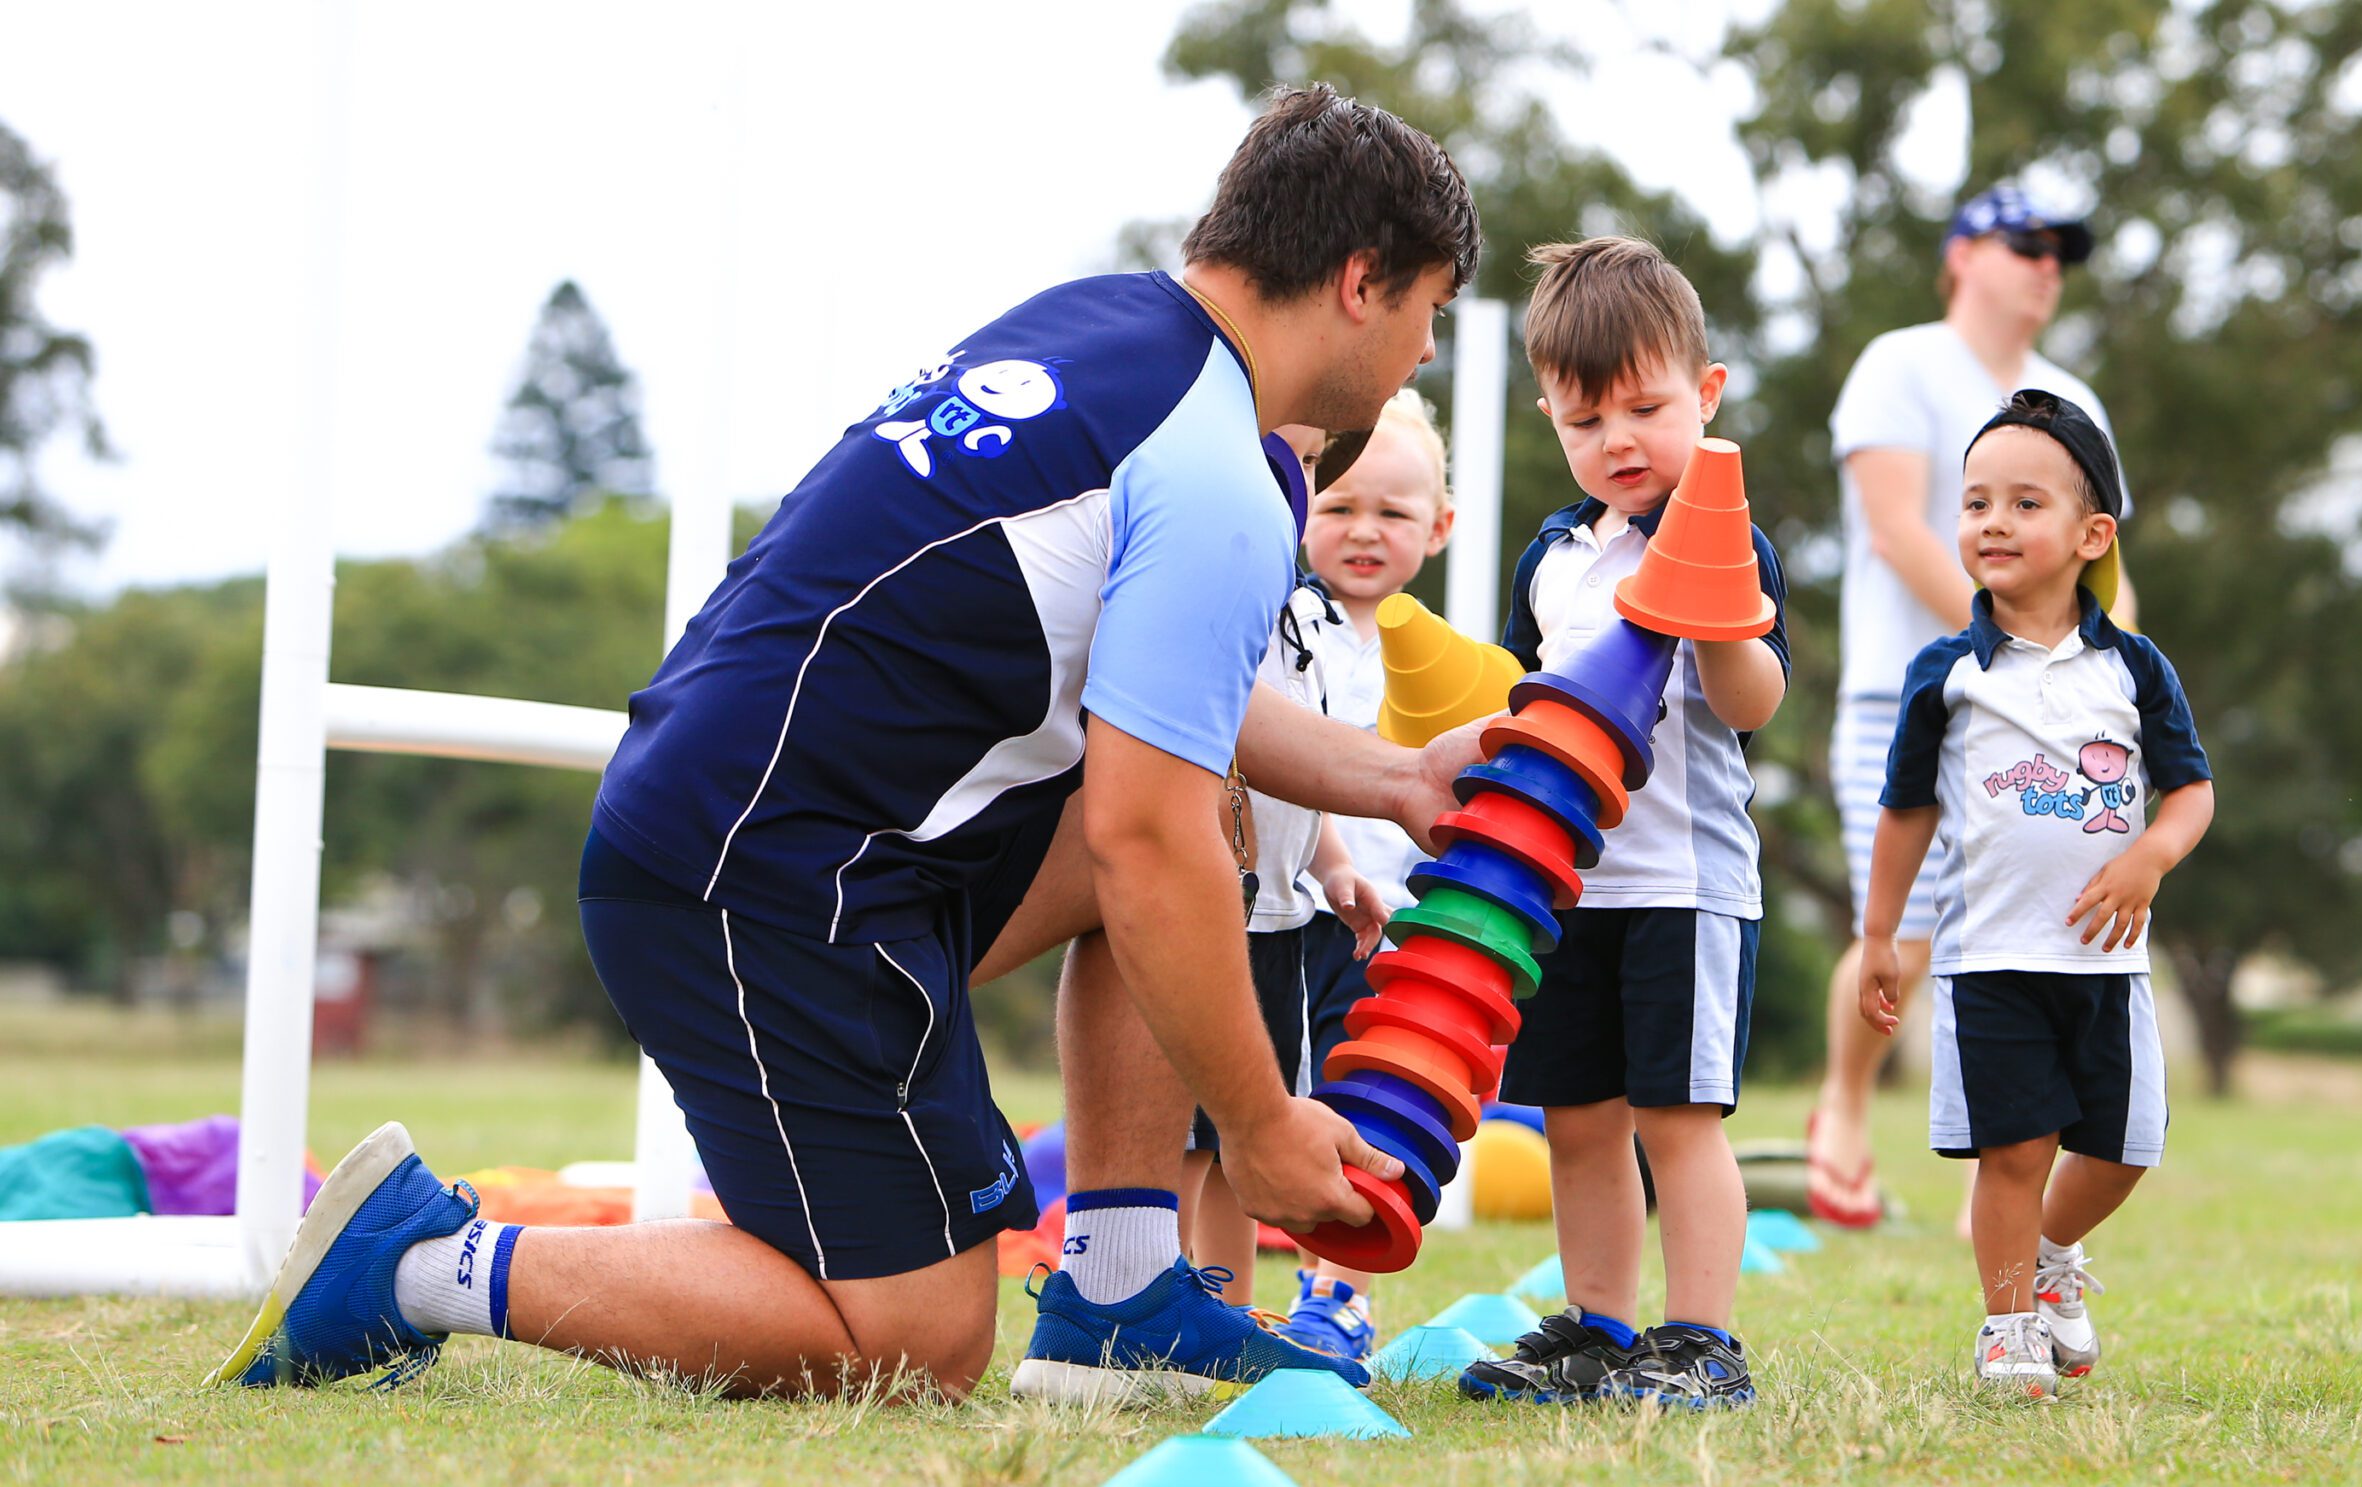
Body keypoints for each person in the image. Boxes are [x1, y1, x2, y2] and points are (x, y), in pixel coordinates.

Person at [206, 84, 1484, 1406]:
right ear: (1357, 281)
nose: (1423, 353)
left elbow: (1173, 708)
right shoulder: (1212, 466)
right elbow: (1139, 835)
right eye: (1428, 311)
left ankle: (1115, 1293)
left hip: (789, 832)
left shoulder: (1103, 332)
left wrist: (1392, 774)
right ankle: (422, 1257)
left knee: (1187, 783)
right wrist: (1266, 1129)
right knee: (920, 1340)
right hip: (757, 874)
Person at [1458, 237, 1787, 1411]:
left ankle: (1700, 1340)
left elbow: (1754, 706)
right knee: (1576, 1120)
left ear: (1704, 394)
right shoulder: (1556, 555)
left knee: (1676, 1121)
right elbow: (1519, 702)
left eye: (1646, 408)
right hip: (1569, 885)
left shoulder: (1724, 539)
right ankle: (1596, 1330)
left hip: (1683, 888)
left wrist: (1716, 619)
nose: (1619, 441)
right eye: (1583, 419)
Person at [1857, 390, 2212, 1397]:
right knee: (2013, 1150)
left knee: (2125, 1147)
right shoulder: (1946, 673)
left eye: (2024, 502)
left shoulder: (2134, 668)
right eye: (1974, 503)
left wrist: (2151, 854)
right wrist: (1881, 933)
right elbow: (1904, 810)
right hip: (1991, 960)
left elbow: (2190, 790)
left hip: (2108, 963)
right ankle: (2008, 1324)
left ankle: (2054, 1254)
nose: (1993, 522)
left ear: (2090, 533)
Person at [1813, 185, 2135, 1230]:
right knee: (1903, 931)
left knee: (2021, 937)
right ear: (1961, 254)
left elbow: (2101, 559)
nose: (2047, 265)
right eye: (2026, 244)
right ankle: (1844, 1110)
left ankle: (1997, 1167)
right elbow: (1901, 527)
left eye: (2061, 252)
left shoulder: (2070, 391)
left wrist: (2102, 669)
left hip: (2040, 723)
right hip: (1900, 697)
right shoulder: (1898, 364)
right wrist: (2013, 636)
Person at [1179, 424, 1389, 1304]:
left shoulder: (1307, 616)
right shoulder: (1204, 587)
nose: (1291, 484)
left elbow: (1301, 765)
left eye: (1307, 467)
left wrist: (1333, 862)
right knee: (1174, 1139)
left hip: (1277, 922)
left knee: (1240, 1137)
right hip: (1194, 912)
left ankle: (1223, 1307)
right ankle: (1147, 1285)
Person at [1280, 389, 1456, 1358]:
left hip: (1384, 940)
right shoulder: (1281, 620)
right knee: (1248, 1105)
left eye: (1392, 512)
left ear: (1439, 525)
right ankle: (1206, 1283)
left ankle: (1336, 1296)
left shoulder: (1436, 659)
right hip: (1272, 913)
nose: (1362, 531)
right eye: (1338, 504)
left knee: (1359, 1113)